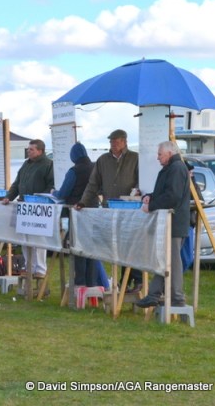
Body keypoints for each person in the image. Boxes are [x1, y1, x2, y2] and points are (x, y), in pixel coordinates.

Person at [75, 129, 142, 292]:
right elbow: (93, 183)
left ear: (124, 142)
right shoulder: (103, 160)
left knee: (130, 245)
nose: (113, 144)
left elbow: (143, 181)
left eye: (116, 141)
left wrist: (138, 192)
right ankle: (120, 281)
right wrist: (83, 202)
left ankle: (135, 279)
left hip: (130, 210)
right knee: (115, 247)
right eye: (111, 141)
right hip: (109, 210)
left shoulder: (135, 158)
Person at [136, 141, 189, 308]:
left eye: (160, 154)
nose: (157, 157)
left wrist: (150, 206)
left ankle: (177, 299)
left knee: (173, 261)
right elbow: (165, 192)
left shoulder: (177, 168)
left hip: (174, 223)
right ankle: (154, 294)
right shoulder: (171, 168)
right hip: (168, 222)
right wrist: (150, 196)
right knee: (164, 260)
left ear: (169, 153)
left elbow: (172, 196)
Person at [1, 139, 54, 278]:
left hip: (39, 207)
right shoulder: (26, 164)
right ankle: (29, 266)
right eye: (28, 149)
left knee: (39, 238)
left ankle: (40, 269)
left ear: (40, 151)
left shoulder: (48, 165)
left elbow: (51, 185)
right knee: (24, 238)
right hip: (24, 206)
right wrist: (9, 196)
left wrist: (40, 198)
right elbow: (17, 183)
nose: (28, 151)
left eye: (32, 149)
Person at [53, 143, 99, 290]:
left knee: (78, 248)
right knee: (91, 249)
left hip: (77, 212)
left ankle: (80, 282)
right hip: (93, 211)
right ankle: (91, 282)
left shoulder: (74, 171)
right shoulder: (95, 167)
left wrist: (54, 192)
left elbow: (63, 193)